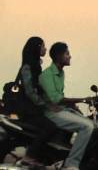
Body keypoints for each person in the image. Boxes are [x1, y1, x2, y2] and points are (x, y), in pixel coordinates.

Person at [39, 42, 95, 170]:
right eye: (67, 53)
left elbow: (61, 95)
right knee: (87, 126)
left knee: (93, 124)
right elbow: (55, 99)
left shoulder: (60, 73)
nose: (70, 56)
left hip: (61, 110)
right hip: (52, 112)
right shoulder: (47, 75)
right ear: (59, 56)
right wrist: (82, 100)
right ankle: (72, 164)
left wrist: (74, 107)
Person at [15, 37, 58, 167]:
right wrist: (45, 104)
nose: (45, 49)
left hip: (33, 109)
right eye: (43, 46)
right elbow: (30, 91)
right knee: (50, 127)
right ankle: (29, 156)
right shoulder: (28, 66)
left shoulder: (35, 64)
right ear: (36, 47)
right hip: (28, 110)